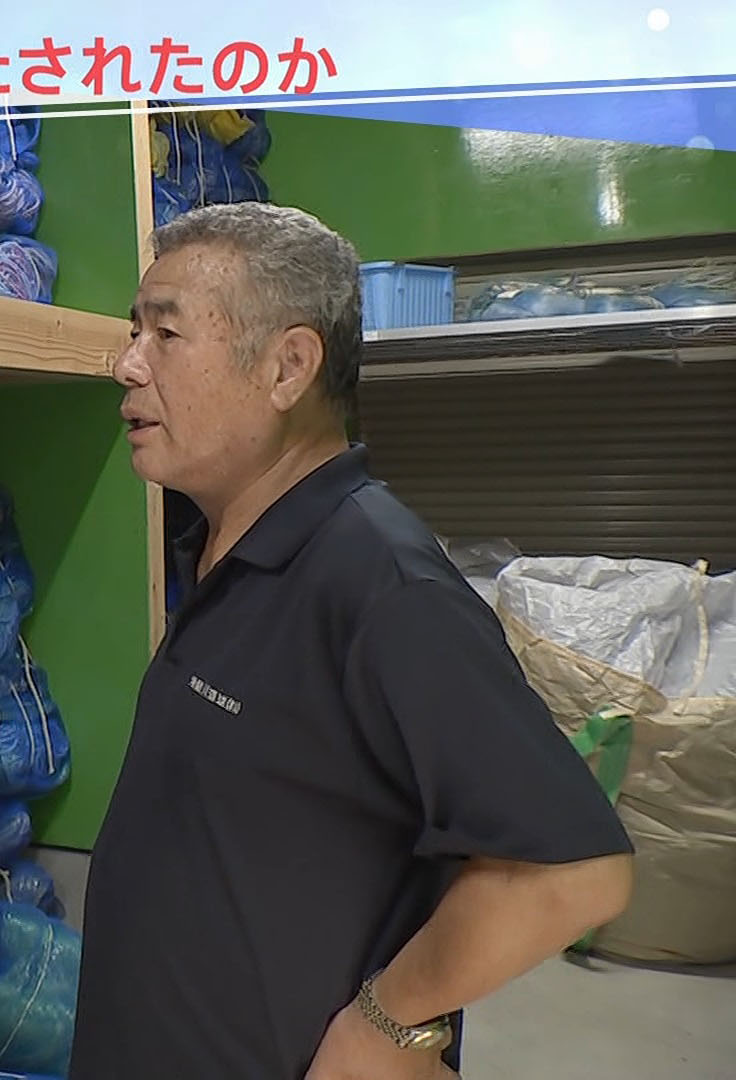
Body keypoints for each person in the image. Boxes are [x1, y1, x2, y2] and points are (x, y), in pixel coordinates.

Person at [71, 202, 635, 1079]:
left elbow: (573, 872)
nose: (127, 364)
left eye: (165, 334)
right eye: (132, 332)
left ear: (288, 367)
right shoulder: (229, 547)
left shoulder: (380, 582)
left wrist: (384, 1027)